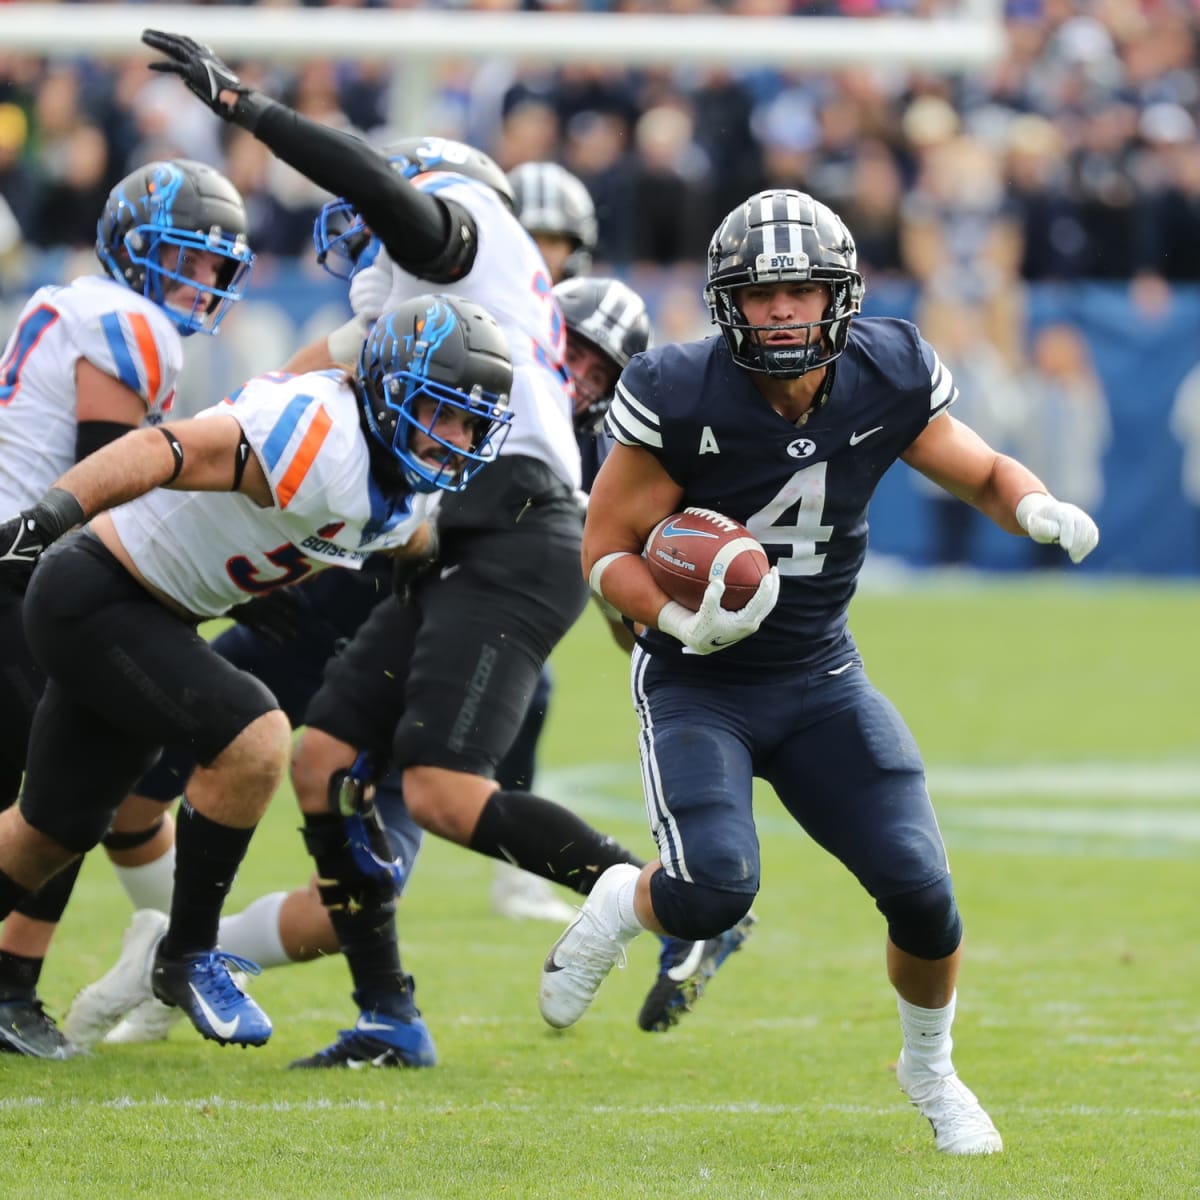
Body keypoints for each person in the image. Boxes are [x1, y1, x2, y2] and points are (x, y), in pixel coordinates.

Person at [538, 188, 1100, 1155]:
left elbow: (981, 471)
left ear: (839, 294)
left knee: (924, 894)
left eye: (801, 290)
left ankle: (930, 1070)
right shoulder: (681, 389)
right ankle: (622, 902)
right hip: (699, 683)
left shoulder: (887, 369)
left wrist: (1035, 504)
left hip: (820, 675)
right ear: (728, 305)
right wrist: (679, 618)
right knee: (713, 890)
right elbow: (603, 546)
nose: (784, 311)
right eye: (763, 296)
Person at [0, 292, 515, 1052]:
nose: (458, 438)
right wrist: (48, 518)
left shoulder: (401, 483)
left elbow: (402, 536)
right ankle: (187, 953)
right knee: (256, 735)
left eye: (473, 423)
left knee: (48, 835)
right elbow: (159, 449)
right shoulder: (318, 429)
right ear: (394, 390)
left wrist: (442, 576)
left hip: (149, 613)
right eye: (444, 413)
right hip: (96, 592)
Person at [0, 157, 255, 1058]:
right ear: (134, 249)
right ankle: (10, 987)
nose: (201, 282)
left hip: (16, 556)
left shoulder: (73, 305)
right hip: (26, 568)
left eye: (212, 267)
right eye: (185, 260)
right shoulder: (127, 321)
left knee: (46, 797)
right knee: (63, 798)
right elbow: (103, 471)